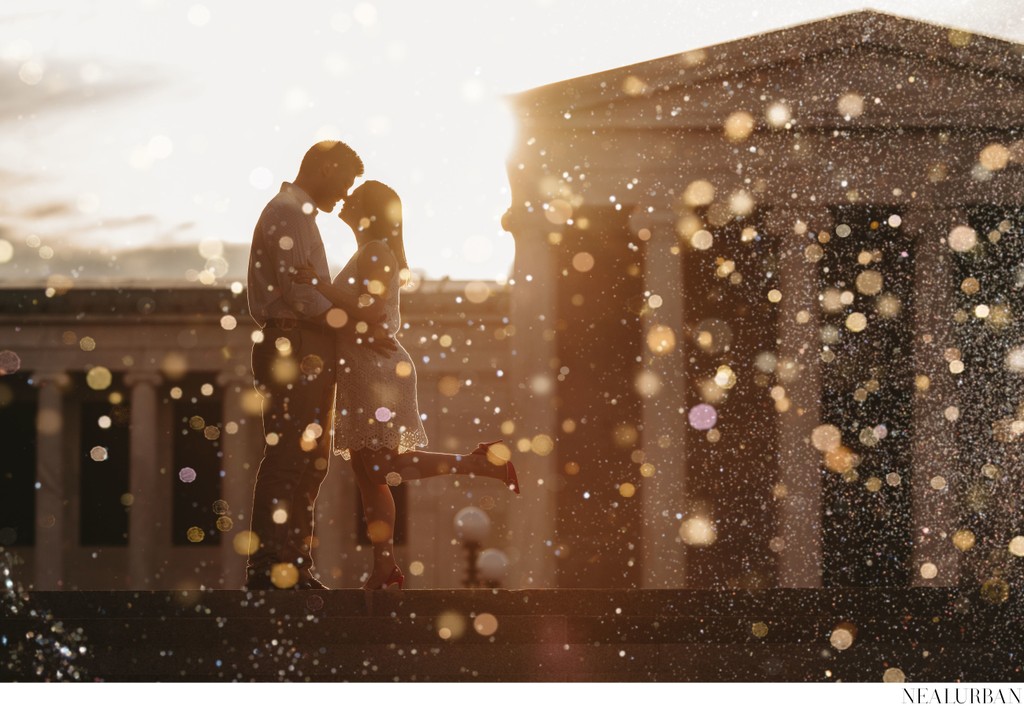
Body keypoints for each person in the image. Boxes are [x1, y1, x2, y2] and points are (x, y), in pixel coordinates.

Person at [299, 180, 519, 590]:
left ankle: (477, 463)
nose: (344, 200)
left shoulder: (377, 250)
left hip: (376, 370)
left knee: (380, 467)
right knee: (369, 476)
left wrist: (319, 286)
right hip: (362, 369)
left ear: (369, 210)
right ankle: (384, 567)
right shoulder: (370, 251)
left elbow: (374, 309)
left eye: (354, 196)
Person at [244, 140, 393, 591]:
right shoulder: (289, 212)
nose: (343, 194)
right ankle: (272, 564)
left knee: (310, 459)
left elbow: (311, 293)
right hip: (294, 341)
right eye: (344, 181)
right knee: (292, 455)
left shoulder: (297, 213)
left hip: (305, 343)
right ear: (325, 169)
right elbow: (302, 296)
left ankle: (291, 561)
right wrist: (355, 322)